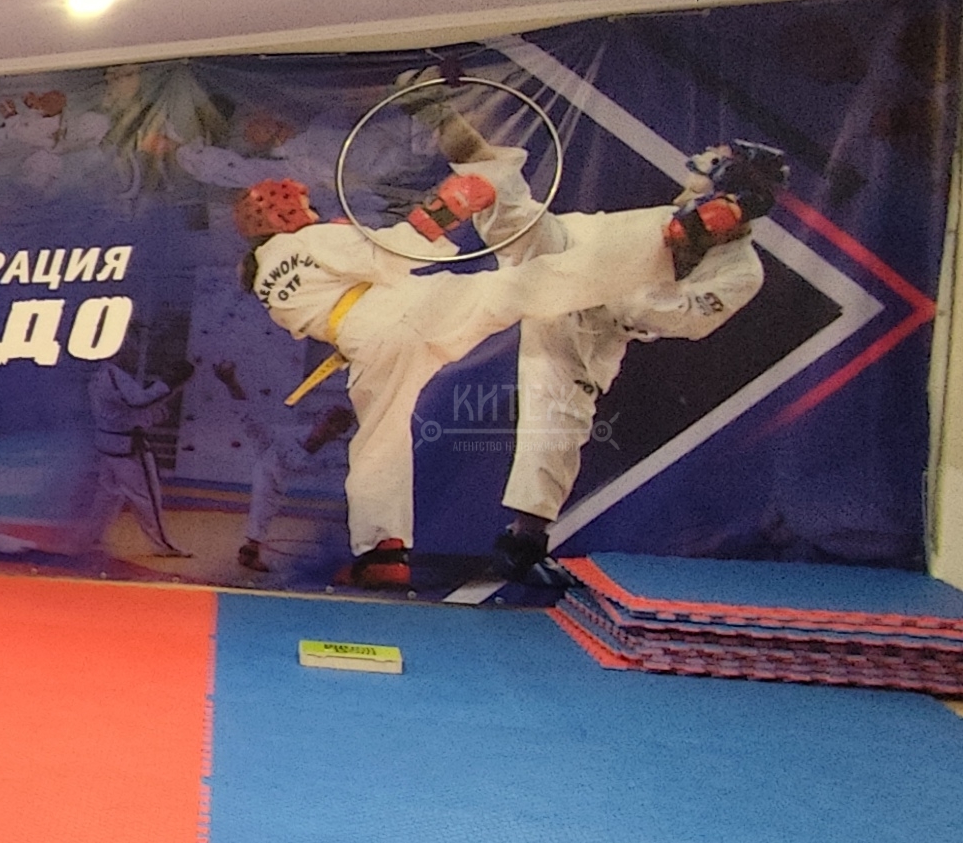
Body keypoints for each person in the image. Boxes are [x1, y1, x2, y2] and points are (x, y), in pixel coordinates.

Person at [232, 112, 775, 589]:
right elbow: (390, 256)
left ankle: (382, 554)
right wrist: (442, 212)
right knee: (529, 284)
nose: (309, 208)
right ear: (282, 213)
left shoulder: (267, 286)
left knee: (381, 442)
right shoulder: (311, 239)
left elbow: (683, 316)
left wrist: (450, 207)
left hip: (370, 342)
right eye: (301, 204)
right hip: (427, 310)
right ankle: (662, 242)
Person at [492, 142, 784, 569]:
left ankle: (524, 543)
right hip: (566, 267)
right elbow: (573, 236)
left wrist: (667, 260)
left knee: (557, 425)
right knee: (505, 209)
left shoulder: (741, 271)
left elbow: (684, 321)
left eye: (709, 168)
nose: (688, 198)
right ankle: (450, 129)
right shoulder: (659, 218)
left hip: (594, 327)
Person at [211, 360, 359, 574]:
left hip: (292, 474)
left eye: (336, 426)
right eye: (328, 421)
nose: (329, 427)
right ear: (319, 419)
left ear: (340, 432)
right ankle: (251, 549)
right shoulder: (283, 436)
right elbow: (250, 419)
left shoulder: (335, 456)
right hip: (273, 455)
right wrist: (231, 382)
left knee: (270, 500)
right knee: (250, 421)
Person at [88, 353, 189, 557]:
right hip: (127, 447)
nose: (134, 352)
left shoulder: (101, 375)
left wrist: (169, 390)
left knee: (107, 495)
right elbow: (138, 402)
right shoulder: (113, 375)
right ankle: (163, 545)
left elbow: (133, 408)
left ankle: (92, 535)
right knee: (146, 497)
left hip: (109, 444)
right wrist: (166, 384)